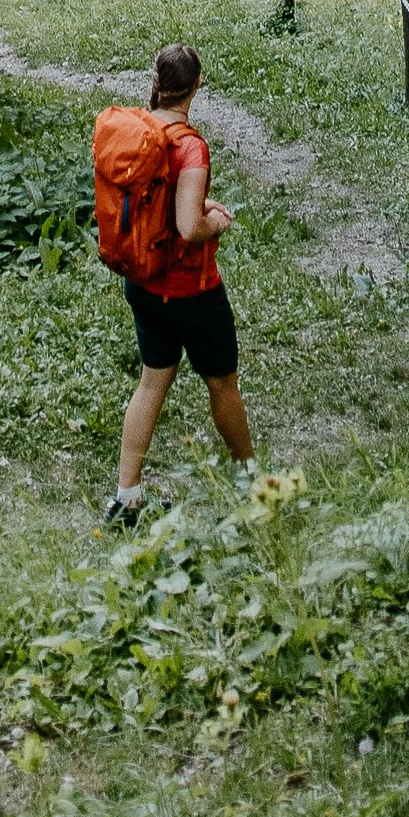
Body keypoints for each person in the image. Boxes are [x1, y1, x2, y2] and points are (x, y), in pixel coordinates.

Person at [99, 42, 253, 527]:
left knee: (150, 383)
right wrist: (216, 222)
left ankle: (126, 497)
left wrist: (194, 212)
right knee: (223, 384)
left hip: (143, 283)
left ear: (158, 82)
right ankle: (251, 482)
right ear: (197, 86)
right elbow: (188, 227)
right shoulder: (190, 146)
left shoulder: (137, 134)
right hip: (193, 290)